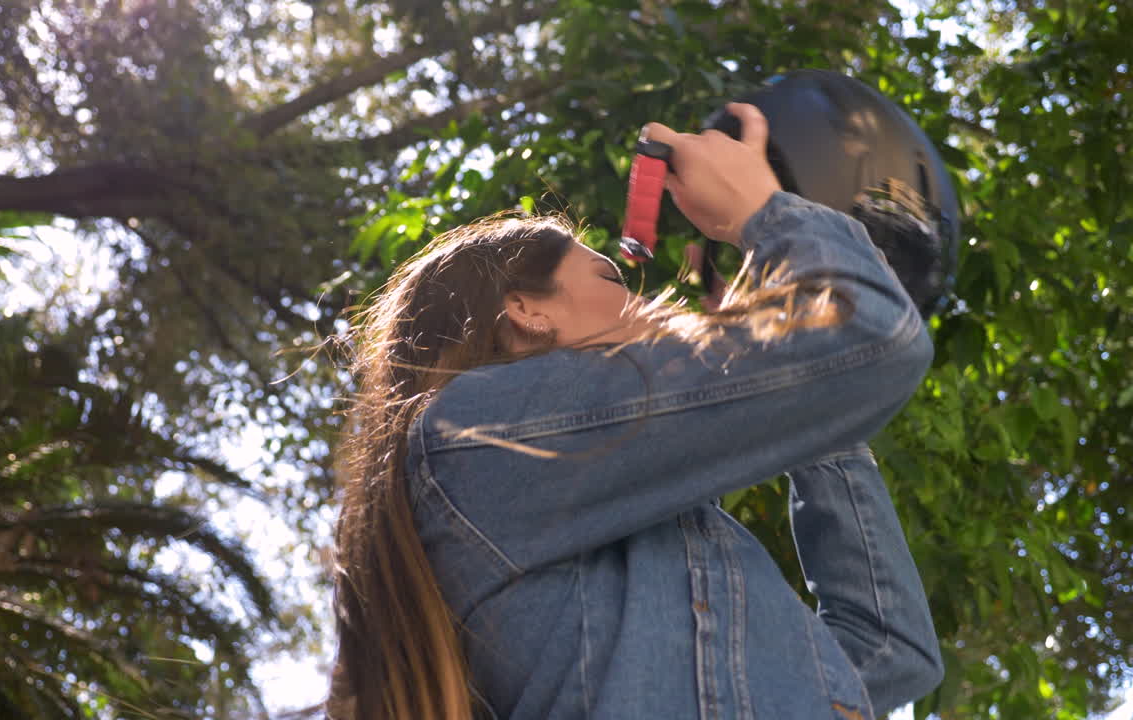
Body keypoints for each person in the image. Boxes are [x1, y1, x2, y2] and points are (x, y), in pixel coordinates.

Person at [327, 103, 943, 720]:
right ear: (525, 309)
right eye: (611, 280)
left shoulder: (670, 527)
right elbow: (874, 334)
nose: (644, 299)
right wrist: (761, 211)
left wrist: (799, 381)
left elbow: (892, 653)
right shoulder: (469, 437)